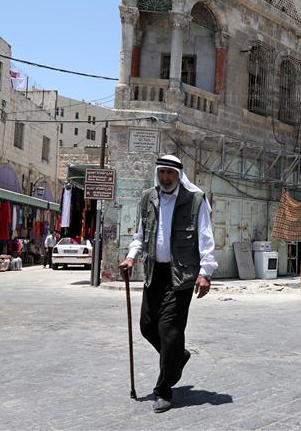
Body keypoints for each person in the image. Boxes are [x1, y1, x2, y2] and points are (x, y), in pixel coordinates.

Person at [118, 154, 218, 413]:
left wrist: (205, 272)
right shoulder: (148, 198)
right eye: (161, 173)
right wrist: (131, 257)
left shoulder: (194, 200)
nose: (165, 178)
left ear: (178, 175)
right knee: (147, 326)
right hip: (154, 273)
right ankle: (177, 358)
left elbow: (205, 237)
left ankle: (164, 389)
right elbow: (140, 235)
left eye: (170, 174)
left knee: (170, 331)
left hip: (182, 276)